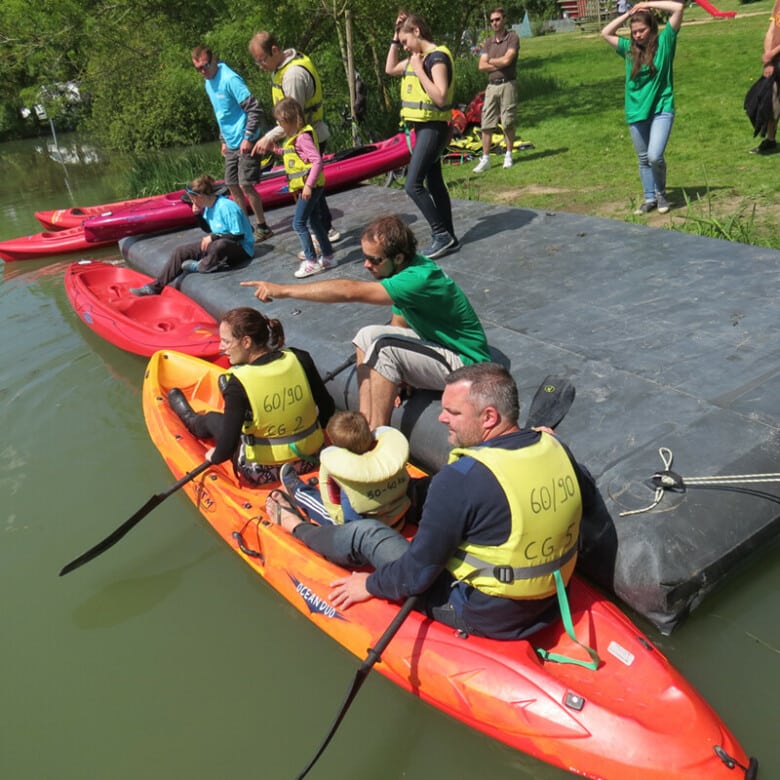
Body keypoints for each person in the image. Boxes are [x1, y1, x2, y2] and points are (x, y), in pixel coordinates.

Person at [268, 363, 601, 641]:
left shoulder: (460, 480)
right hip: (550, 598)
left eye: (452, 412)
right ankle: (392, 505)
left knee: (367, 532)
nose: (442, 418)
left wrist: (368, 583)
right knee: (426, 491)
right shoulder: (554, 447)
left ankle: (296, 526)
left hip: (482, 612)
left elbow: (416, 576)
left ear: (488, 417)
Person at [241, 214, 491, 429]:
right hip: (439, 350)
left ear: (400, 257)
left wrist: (283, 290)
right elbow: (399, 324)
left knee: (385, 348)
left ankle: (376, 437)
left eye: (374, 259)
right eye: (365, 256)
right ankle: (362, 422)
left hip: (469, 367)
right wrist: (399, 376)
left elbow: (350, 291)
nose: (366, 264)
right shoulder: (403, 271)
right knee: (367, 336)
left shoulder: (418, 278)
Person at [168, 307, 335, 485]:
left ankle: (191, 419)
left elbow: (226, 449)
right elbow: (327, 408)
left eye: (226, 341)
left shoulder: (238, 383)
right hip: (311, 457)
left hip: (264, 471)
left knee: (212, 419)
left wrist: (214, 456)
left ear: (246, 342)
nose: (220, 347)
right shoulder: (301, 358)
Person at [248, 31, 340, 245]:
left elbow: (293, 118)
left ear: (274, 50)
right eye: (257, 63)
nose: (261, 66)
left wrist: (267, 138)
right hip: (296, 139)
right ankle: (325, 232)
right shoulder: (280, 69)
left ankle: (324, 234)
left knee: (309, 189)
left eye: (262, 60)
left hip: (309, 138)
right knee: (311, 190)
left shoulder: (293, 76)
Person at [600, 1, 684, 215]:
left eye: (642, 30)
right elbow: (605, 32)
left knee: (655, 155)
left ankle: (661, 193)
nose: (637, 35)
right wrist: (628, 14)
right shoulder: (628, 49)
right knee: (644, 158)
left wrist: (647, 3)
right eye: (634, 32)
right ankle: (649, 198)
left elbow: (677, 8)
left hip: (661, 107)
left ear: (653, 28)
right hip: (636, 111)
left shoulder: (666, 41)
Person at [386, 11, 458, 259]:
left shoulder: (435, 58)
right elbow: (389, 68)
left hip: (433, 127)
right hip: (423, 128)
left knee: (412, 184)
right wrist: (396, 37)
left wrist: (418, 68)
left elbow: (439, 97)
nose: (404, 48)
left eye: (405, 42)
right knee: (434, 183)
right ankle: (450, 237)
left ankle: (441, 234)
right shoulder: (418, 58)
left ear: (417, 31)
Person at [191, 45, 273, 243]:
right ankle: (244, 227)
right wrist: (222, 140)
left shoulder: (230, 79)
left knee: (246, 184)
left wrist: (248, 137)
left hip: (247, 138)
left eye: (205, 66)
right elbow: (222, 115)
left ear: (214, 59)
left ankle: (263, 227)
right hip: (230, 142)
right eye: (198, 69)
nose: (203, 71)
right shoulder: (208, 83)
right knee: (231, 184)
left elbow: (254, 109)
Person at [276, 410, 411, 529]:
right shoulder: (390, 459)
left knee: (323, 509)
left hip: (367, 531)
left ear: (335, 445)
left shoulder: (344, 473)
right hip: (397, 520)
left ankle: (297, 490)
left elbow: (351, 523)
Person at [130, 174, 254, 296]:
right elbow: (208, 229)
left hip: (241, 249)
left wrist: (213, 237)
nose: (192, 202)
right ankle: (155, 287)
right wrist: (198, 215)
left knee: (219, 245)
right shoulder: (209, 208)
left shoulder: (227, 207)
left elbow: (239, 236)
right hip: (219, 243)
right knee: (181, 251)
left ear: (199, 197)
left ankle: (201, 266)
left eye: (192, 198)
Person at [271, 97, 335, 278]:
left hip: (310, 188)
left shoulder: (303, 138)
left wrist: (308, 186)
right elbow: (296, 155)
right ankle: (328, 256)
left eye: (280, 121)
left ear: (289, 120)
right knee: (314, 221)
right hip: (309, 187)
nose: (279, 125)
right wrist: (276, 151)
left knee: (298, 223)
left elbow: (316, 161)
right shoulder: (295, 138)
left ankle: (311, 261)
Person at [473, 8, 520, 173]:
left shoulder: (512, 38)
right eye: (492, 20)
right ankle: (485, 159)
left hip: (508, 84)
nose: (495, 23)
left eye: (498, 19)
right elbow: (481, 66)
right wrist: (498, 62)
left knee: (508, 121)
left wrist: (491, 62)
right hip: (491, 86)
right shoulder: (488, 42)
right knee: (486, 122)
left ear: (504, 19)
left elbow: (508, 60)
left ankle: (508, 155)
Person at [749, 0, 780, 154]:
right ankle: (771, 140)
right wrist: (768, 58)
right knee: (768, 98)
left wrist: (771, 54)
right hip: (775, 60)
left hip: (776, 56)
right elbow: (771, 29)